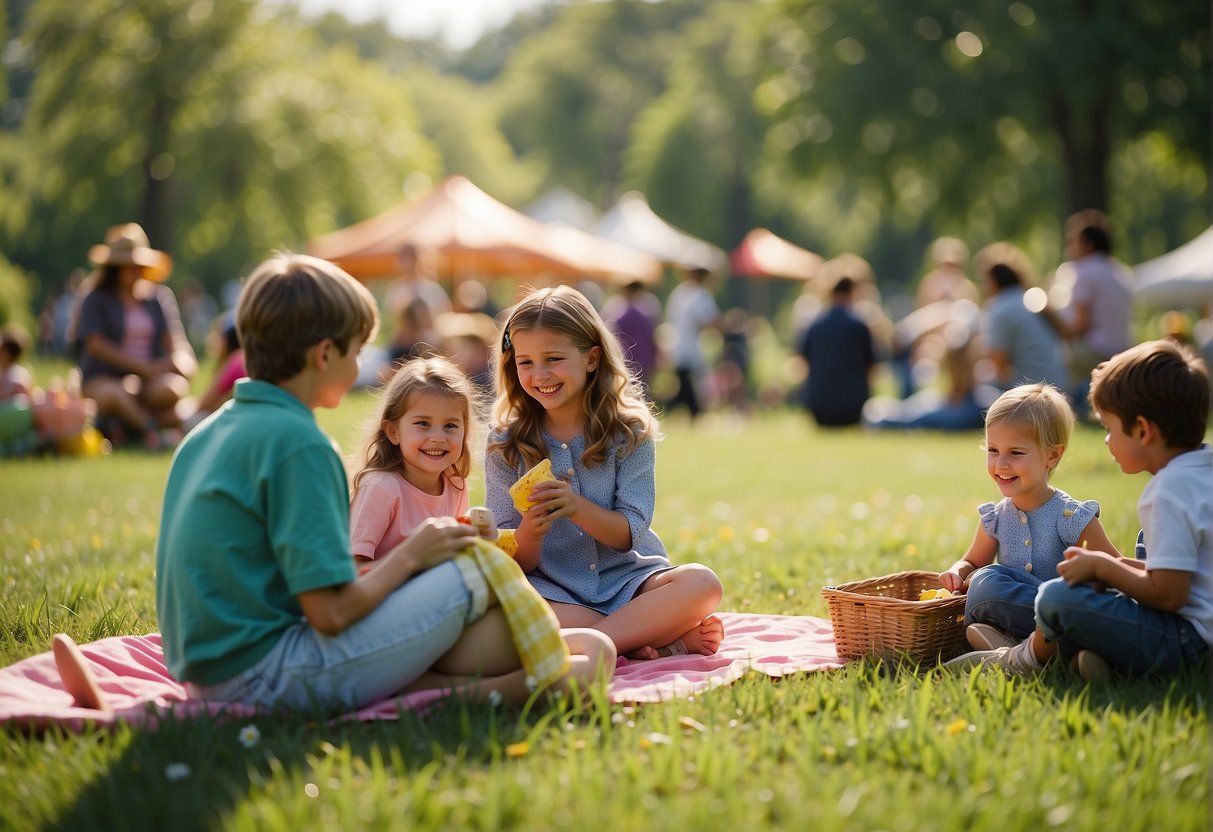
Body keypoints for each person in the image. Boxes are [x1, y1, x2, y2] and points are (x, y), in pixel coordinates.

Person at [150, 253, 611, 716]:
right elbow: (331, 615)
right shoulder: (299, 445)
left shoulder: (206, 433)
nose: (359, 366)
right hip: (269, 675)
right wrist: (417, 552)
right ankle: (462, 696)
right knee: (471, 568)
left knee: (594, 649)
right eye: (356, 351)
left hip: (209, 677)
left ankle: (461, 677)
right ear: (324, 354)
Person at [947, 339, 1211, 680]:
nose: (1105, 440)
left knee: (1057, 599)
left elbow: (1169, 594)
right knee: (995, 585)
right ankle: (1089, 654)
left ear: (1143, 431)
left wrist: (1101, 567)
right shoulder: (1200, 475)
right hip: (1182, 633)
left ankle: (1023, 657)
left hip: (1182, 641)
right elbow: (1164, 577)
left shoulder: (1168, 493)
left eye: (1108, 428)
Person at [486, 286, 724, 660]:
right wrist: (530, 529)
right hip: (553, 590)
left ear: (592, 358)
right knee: (502, 606)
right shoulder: (505, 443)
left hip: (628, 581)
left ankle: (594, 642)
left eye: (553, 358)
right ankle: (655, 639)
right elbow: (510, 559)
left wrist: (574, 506)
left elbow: (630, 533)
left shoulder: (629, 433)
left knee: (702, 583)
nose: (539, 374)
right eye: (526, 362)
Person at [938, 383, 1119, 649]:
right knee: (984, 581)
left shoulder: (1070, 516)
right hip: (1024, 619)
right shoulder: (996, 517)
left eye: (1016, 452)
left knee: (986, 586)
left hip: (1064, 609)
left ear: (1052, 456)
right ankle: (1035, 647)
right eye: (993, 450)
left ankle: (1051, 646)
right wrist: (957, 572)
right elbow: (972, 563)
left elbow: (1114, 570)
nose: (1001, 463)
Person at [68, 223, 196, 448]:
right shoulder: (96, 299)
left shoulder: (158, 298)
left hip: (146, 381)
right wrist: (139, 366)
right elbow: (95, 345)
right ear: (115, 268)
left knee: (173, 389)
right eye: (129, 266)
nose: (136, 271)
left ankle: (121, 426)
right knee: (114, 395)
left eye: (139, 265)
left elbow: (175, 341)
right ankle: (151, 430)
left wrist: (182, 362)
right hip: (103, 378)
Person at [975, 242, 1069, 393]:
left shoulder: (999, 308)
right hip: (1059, 385)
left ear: (993, 282)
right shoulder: (1031, 298)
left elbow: (998, 365)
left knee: (980, 381)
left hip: (1032, 391)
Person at [1057, 209, 1133, 394]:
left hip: (1096, 351)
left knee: (1053, 357)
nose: (1070, 249)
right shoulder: (1119, 270)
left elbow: (1081, 325)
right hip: (1123, 349)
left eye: (1074, 242)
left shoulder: (1084, 271)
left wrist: (1057, 327)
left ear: (1088, 245)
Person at [796, 276, 877, 427]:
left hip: (819, 409)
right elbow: (873, 367)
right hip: (853, 409)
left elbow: (802, 362)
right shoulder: (859, 325)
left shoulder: (814, 326)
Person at [664, 267, 719, 421]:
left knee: (684, 384)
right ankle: (693, 412)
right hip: (691, 347)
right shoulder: (700, 294)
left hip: (677, 345)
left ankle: (691, 412)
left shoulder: (678, 293)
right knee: (688, 385)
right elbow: (708, 320)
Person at [180, 311, 246, 434]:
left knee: (190, 417)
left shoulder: (235, 361)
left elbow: (203, 405)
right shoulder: (244, 358)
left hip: (235, 425)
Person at [602, 279, 661, 400]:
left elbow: (610, 332)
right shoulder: (646, 315)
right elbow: (652, 338)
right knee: (643, 391)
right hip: (644, 358)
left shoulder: (622, 315)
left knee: (629, 393)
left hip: (628, 359)